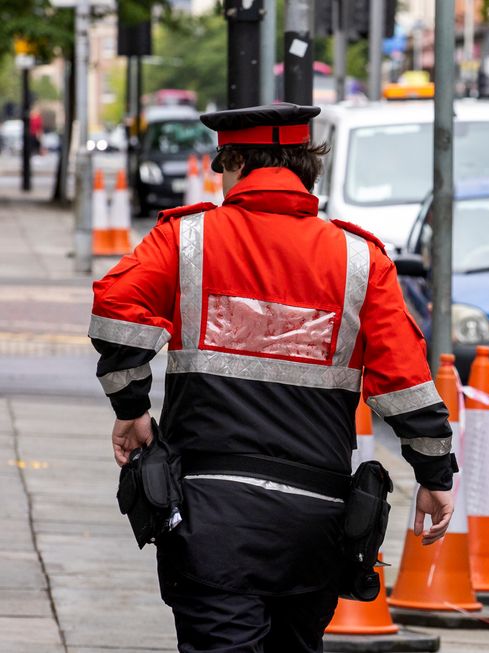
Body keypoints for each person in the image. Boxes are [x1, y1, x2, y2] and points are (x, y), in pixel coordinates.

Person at [87, 103, 456, 653]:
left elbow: (116, 310)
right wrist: (434, 474)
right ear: (310, 166)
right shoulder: (362, 260)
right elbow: (404, 380)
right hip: (316, 525)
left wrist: (133, 411)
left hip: (208, 519)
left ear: (235, 162)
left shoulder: (189, 240)